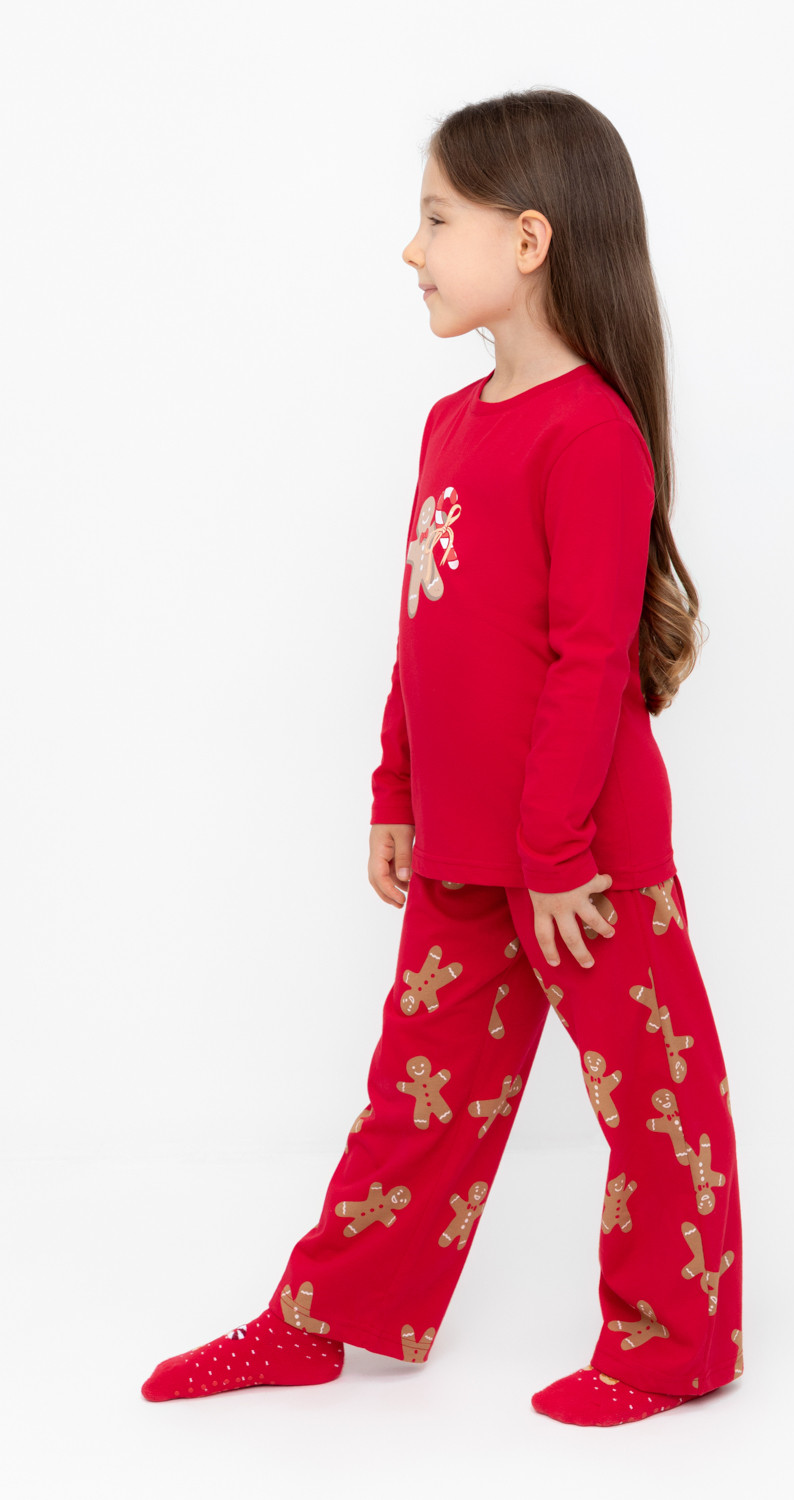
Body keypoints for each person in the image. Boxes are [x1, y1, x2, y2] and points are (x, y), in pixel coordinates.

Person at [141, 86, 743, 1428]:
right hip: (469, 847)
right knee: (414, 1101)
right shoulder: (451, 425)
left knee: (656, 1098)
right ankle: (323, 1318)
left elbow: (588, 661)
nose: (410, 250)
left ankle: (676, 1349)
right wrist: (395, 790)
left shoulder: (592, 435)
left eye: (435, 220)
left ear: (528, 239)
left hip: (584, 862)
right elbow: (425, 626)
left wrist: (557, 854)